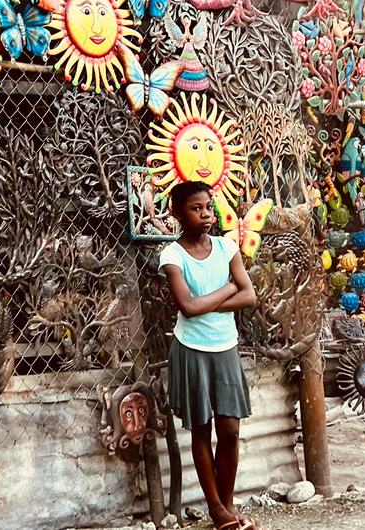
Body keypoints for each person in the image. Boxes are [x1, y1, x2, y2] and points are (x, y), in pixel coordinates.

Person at [158, 181, 258, 530]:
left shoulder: (227, 246)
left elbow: (250, 297)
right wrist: (231, 286)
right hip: (191, 351)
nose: (205, 215)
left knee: (229, 429)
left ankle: (227, 505)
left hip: (225, 347)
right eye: (195, 208)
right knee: (201, 431)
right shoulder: (172, 256)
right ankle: (217, 510)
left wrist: (211, 301)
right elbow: (187, 306)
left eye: (207, 207)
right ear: (177, 212)